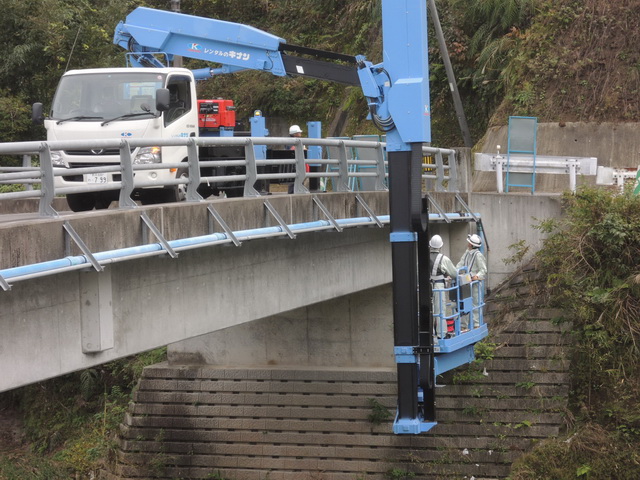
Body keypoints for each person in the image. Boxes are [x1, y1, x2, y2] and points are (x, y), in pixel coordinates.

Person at [456, 233, 487, 330]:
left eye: (469, 242)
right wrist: (454, 272)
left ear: (471, 244)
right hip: (465, 281)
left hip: (474, 283)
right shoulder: (466, 253)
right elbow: (460, 264)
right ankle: (463, 326)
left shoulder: (478, 255)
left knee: (475, 303)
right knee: (464, 303)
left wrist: (476, 276)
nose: (467, 243)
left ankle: (476, 324)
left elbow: (483, 270)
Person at [429, 234, 457, 338]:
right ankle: (441, 334)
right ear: (440, 246)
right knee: (440, 309)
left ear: (430, 245)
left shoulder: (423, 257)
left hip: (426, 287)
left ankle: (431, 334)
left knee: (429, 310)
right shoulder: (443, 258)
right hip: (439, 286)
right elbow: (454, 273)